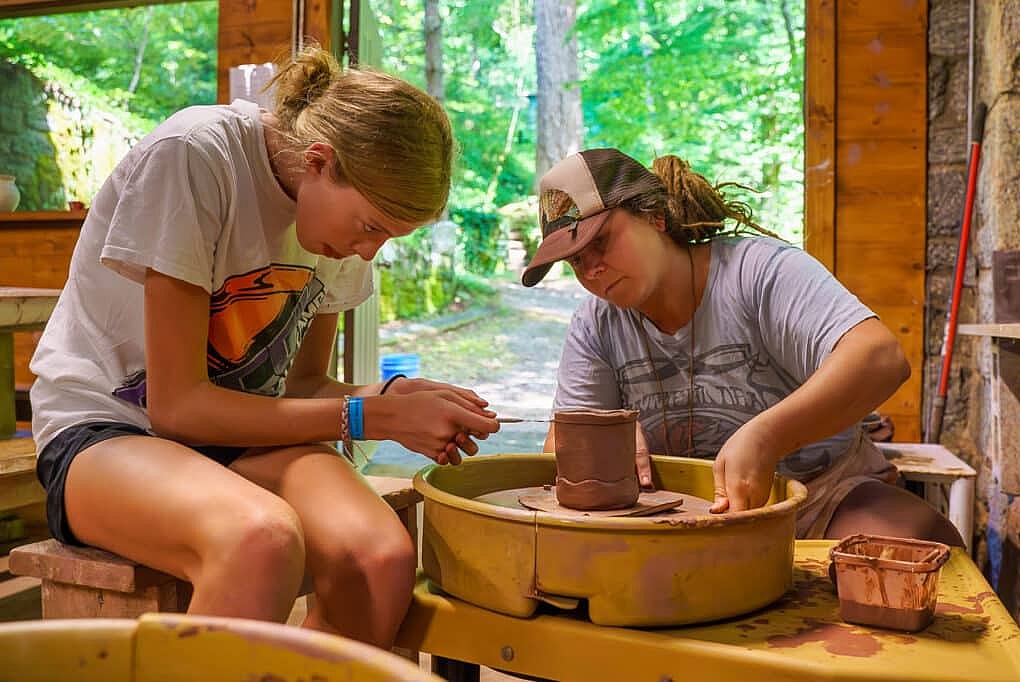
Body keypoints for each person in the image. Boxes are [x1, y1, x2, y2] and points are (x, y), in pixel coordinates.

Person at [29, 45, 499, 648]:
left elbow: (302, 386)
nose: (370, 252)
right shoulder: (196, 156)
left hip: (239, 435)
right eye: (371, 226)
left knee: (379, 561)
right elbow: (176, 409)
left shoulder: (338, 235)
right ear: (320, 161)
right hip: (112, 427)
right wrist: (370, 415)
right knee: (260, 540)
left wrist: (391, 395)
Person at [521, 147, 962, 547]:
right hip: (675, 519)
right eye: (576, 259)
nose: (592, 270)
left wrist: (768, 436)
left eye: (600, 241)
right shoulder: (595, 323)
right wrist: (602, 438)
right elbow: (560, 444)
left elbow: (880, 357)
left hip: (821, 498)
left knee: (921, 542)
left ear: (654, 215)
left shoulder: (758, 272)